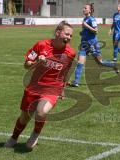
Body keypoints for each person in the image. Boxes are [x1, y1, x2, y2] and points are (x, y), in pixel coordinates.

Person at [4, 21, 76, 150]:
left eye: (71, 36)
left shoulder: (70, 53)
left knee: (41, 112)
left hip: (52, 88)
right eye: (67, 34)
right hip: (34, 87)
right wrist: (37, 62)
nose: (69, 38)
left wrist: (62, 89)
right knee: (24, 117)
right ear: (58, 32)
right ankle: (14, 138)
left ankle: (35, 134)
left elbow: (66, 71)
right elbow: (26, 65)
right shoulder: (41, 45)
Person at [69, 3, 119, 87]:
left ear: (90, 10)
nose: (83, 9)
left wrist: (86, 26)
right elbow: (87, 31)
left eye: (85, 8)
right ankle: (76, 82)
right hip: (84, 44)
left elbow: (96, 31)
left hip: (93, 44)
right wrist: (82, 33)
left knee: (100, 63)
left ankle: (114, 65)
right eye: (83, 8)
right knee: (80, 63)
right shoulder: (85, 18)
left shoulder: (91, 19)